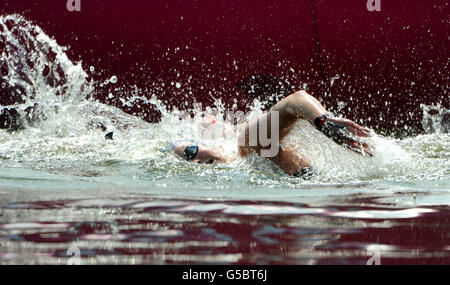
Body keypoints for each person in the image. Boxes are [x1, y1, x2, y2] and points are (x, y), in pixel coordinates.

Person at [172, 90, 372, 176]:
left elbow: (297, 100)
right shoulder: (246, 154)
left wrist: (324, 121)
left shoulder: (246, 144)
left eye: (191, 151)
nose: (196, 161)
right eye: (189, 159)